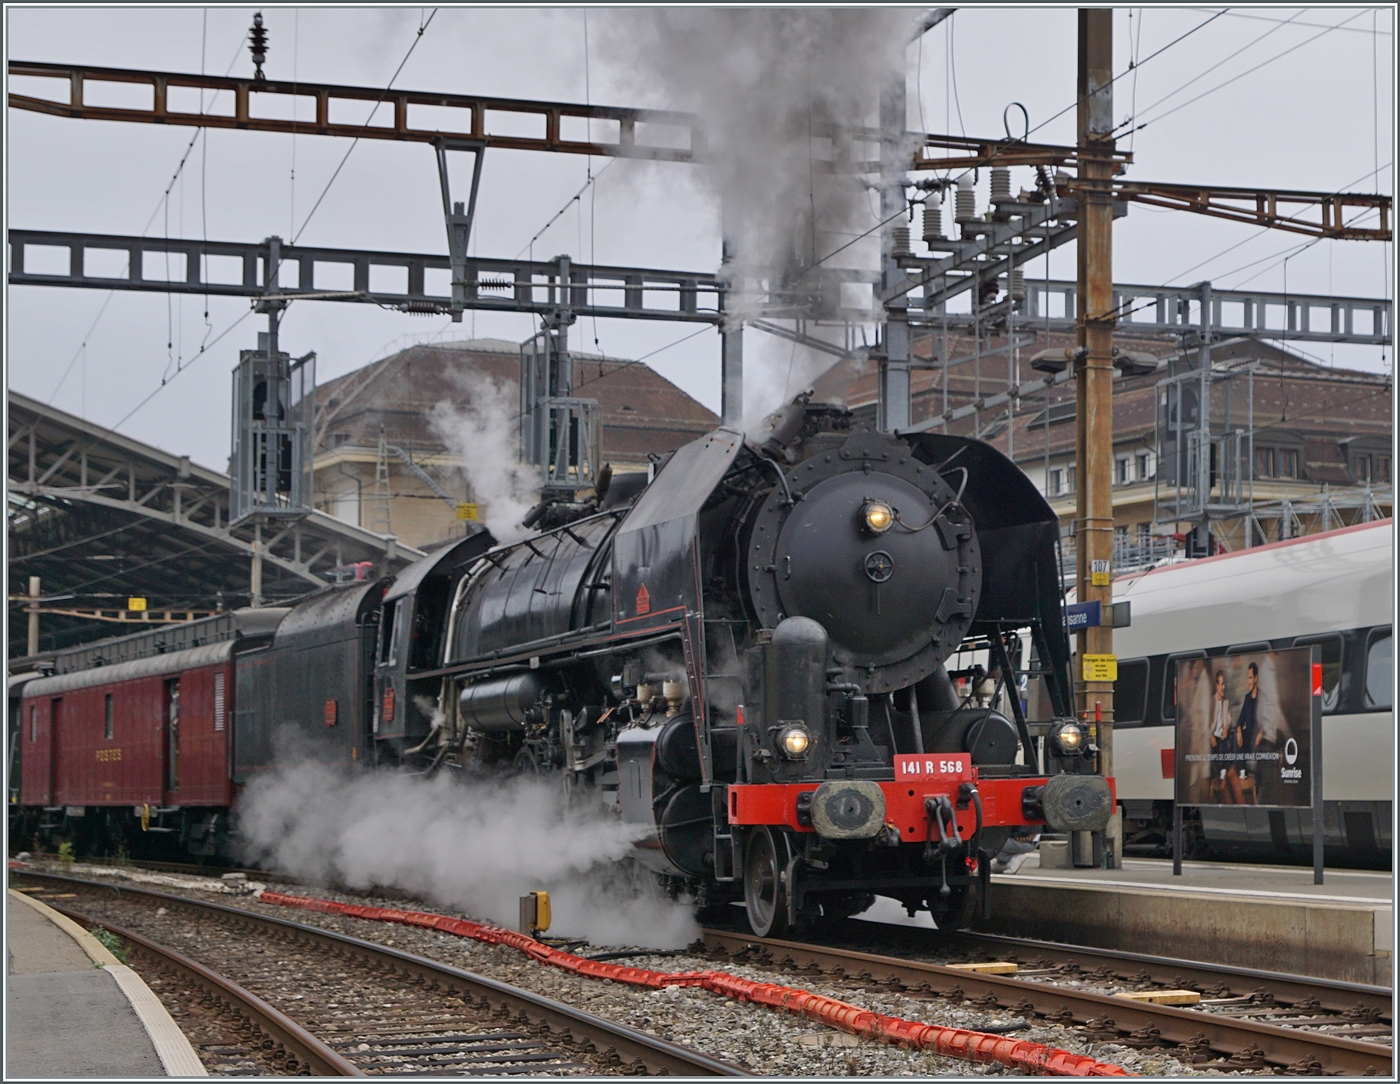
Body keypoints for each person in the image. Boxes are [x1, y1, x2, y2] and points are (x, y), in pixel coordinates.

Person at [1208, 668, 1241, 803]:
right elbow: (1206, 722)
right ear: (1216, 685)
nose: (1223, 687)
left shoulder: (1226, 701)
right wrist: (1211, 736)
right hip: (1214, 735)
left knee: (1229, 741)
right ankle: (1224, 772)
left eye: (1224, 684)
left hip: (1223, 735)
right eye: (1220, 684)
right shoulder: (1212, 702)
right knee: (1223, 748)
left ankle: (1224, 773)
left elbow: (1229, 719)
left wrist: (1226, 728)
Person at [1232, 662, 1261, 804]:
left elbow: (1268, 720)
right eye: (1248, 678)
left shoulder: (1262, 697)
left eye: (1251, 678)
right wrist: (1238, 730)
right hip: (1249, 734)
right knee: (1240, 737)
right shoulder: (1248, 698)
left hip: (1259, 735)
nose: (1249, 681)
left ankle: (1259, 782)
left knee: (1261, 743)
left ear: (1256, 678)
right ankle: (1242, 775)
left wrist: (1261, 732)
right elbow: (1241, 718)